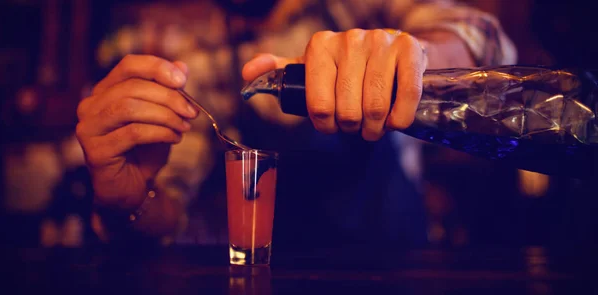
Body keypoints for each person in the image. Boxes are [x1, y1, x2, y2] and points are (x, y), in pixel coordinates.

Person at [75, 0, 517, 248]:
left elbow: (486, 38)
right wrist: (126, 200)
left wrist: (420, 58)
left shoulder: (357, 8)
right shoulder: (192, 56)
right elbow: (167, 212)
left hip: (398, 264)